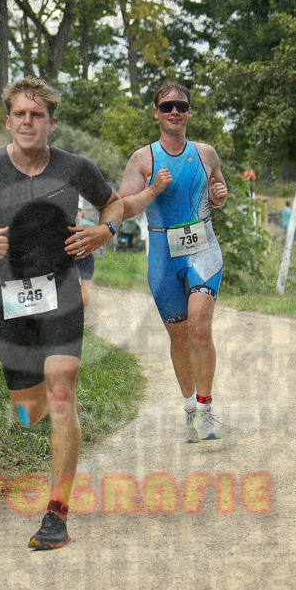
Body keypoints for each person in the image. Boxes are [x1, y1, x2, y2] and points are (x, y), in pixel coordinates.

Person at [0, 77, 123, 550]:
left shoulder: (76, 167)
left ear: (51, 123)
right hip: (11, 300)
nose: (27, 122)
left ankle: (56, 513)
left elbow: (114, 204)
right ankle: (38, 409)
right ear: (8, 120)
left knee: (62, 389)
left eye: (37, 115)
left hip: (61, 293)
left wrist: (104, 232)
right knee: (30, 411)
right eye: (20, 114)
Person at [118, 82, 227, 443]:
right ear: (156, 113)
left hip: (203, 247)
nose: (174, 112)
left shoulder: (206, 153)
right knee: (179, 339)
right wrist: (152, 190)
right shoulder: (143, 159)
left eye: (181, 106)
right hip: (163, 254)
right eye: (167, 107)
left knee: (199, 329)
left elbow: (218, 192)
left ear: (189, 112)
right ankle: (190, 412)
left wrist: (219, 195)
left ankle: (208, 411)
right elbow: (122, 209)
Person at [74, 209, 96, 315]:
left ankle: (84, 312)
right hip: (74, 257)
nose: (76, 212)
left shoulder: (88, 224)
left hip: (86, 257)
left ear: (81, 212)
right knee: (76, 284)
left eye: (78, 210)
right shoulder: (69, 224)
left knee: (86, 285)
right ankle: (77, 312)